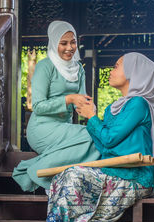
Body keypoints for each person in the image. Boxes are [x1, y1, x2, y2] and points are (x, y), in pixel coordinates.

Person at [17, 52, 154, 222]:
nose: (111, 71)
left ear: (134, 72)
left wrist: (92, 117)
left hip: (134, 177)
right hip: (112, 173)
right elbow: (104, 147)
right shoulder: (114, 108)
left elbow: (108, 139)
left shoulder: (139, 104)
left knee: (73, 175)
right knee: (63, 176)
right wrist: (94, 116)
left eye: (117, 66)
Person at [12, 21, 101, 192]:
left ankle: (57, 181)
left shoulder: (78, 69)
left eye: (73, 42)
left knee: (97, 133)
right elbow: (37, 106)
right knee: (90, 135)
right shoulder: (45, 66)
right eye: (63, 43)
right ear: (54, 43)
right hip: (42, 128)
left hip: (64, 128)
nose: (69, 48)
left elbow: (80, 103)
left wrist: (89, 108)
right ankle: (34, 172)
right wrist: (68, 99)